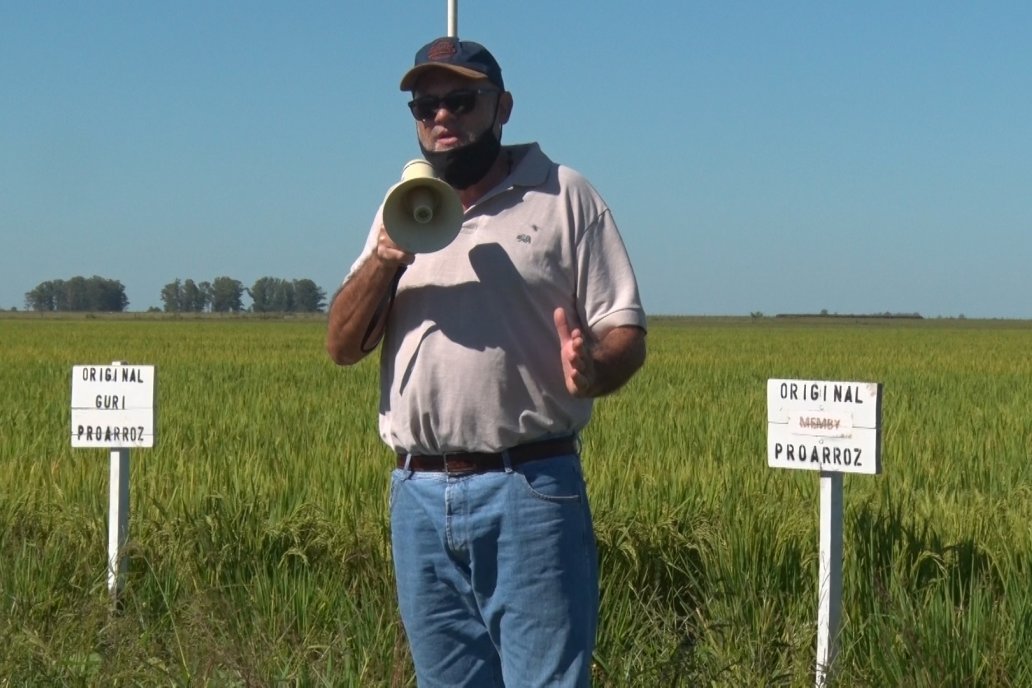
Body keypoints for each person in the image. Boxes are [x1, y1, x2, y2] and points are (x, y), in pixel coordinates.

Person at [326, 36, 647, 687]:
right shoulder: (400, 209)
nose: (441, 117)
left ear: (502, 107)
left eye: (461, 100)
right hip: (417, 493)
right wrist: (389, 255)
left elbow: (626, 333)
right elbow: (341, 345)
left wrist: (594, 370)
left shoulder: (564, 197)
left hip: (527, 487)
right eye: (425, 106)